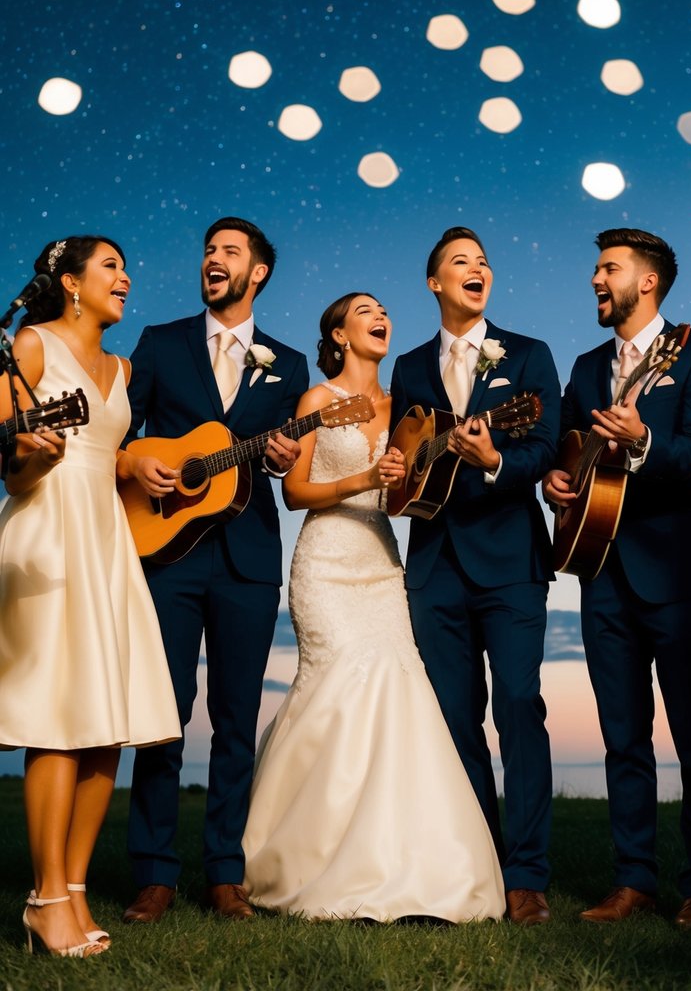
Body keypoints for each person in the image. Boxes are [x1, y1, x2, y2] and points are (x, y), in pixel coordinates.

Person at [242, 293, 505, 921]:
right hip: (327, 563)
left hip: (384, 565)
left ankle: (406, 861)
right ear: (338, 333)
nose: (380, 316)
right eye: (364, 311)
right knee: (336, 685)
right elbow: (296, 493)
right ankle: (303, 857)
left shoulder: (406, 412)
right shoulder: (315, 400)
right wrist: (362, 480)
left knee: (396, 688)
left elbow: (416, 491)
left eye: (385, 309)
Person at [118, 217, 308, 922]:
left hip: (248, 561)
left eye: (229, 252)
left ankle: (225, 871)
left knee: (237, 717)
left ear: (257, 272)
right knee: (163, 714)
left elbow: (285, 461)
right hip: (166, 555)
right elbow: (121, 432)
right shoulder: (161, 343)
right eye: (208, 251)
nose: (213, 260)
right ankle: (154, 872)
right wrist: (138, 461)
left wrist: (285, 455)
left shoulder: (288, 362)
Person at [544, 228, 691, 928]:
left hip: (679, 570)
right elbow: (564, 446)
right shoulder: (588, 364)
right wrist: (555, 482)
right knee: (621, 735)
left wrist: (643, 441)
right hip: (601, 571)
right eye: (595, 268)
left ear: (646, 281)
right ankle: (632, 882)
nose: (595, 279)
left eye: (607, 269)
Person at [0, 236, 180, 958]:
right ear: (70, 282)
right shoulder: (32, 344)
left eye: (126, 268)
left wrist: (134, 459)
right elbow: (11, 466)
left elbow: (107, 451)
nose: (126, 278)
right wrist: (25, 457)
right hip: (48, 534)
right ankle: (43, 899)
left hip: (106, 541)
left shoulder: (122, 368)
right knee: (57, 715)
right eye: (110, 267)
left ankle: (71, 890)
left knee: (107, 722)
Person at [390, 229, 560, 926]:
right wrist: (399, 469)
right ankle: (477, 861)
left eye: (483, 262)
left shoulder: (528, 356)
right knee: (456, 720)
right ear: (433, 283)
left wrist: (494, 459)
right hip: (434, 564)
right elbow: (402, 452)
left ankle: (525, 876)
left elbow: (545, 446)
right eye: (461, 262)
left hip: (510, 561)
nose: (477, 269)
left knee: (519, 708)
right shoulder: (405, 367)